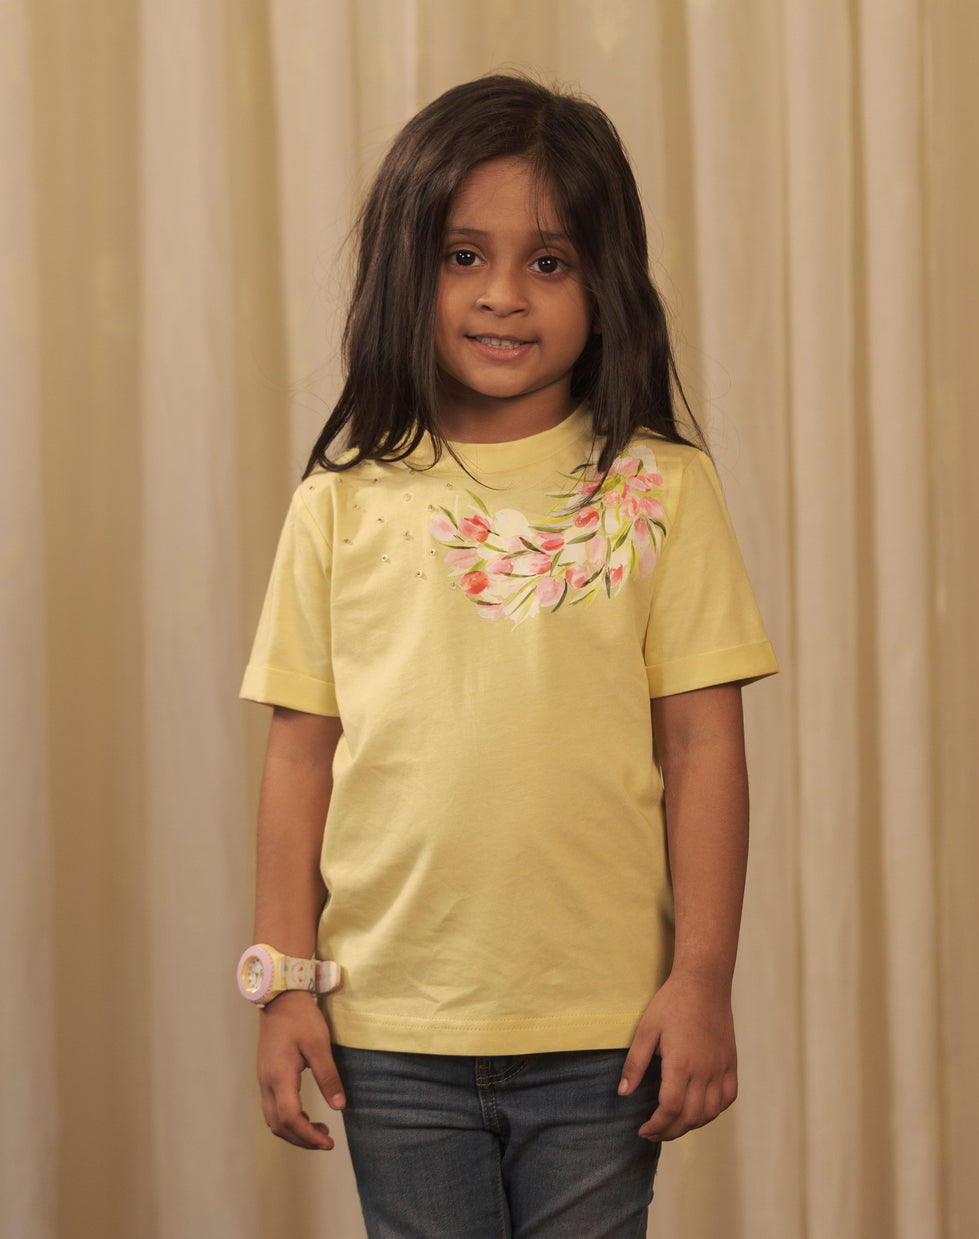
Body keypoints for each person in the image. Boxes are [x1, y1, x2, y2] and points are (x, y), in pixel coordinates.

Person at [239, 72, 778, 1238]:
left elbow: (704, 748)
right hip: (391, 1029)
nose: (502, 295)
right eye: (461, 256)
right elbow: (298, 756)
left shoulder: (663, 490)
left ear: (606, 284)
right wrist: (281, 982)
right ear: (408, 273)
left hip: (604, 1031)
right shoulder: (341, 504)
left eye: (548, 261)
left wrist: (701, 981)